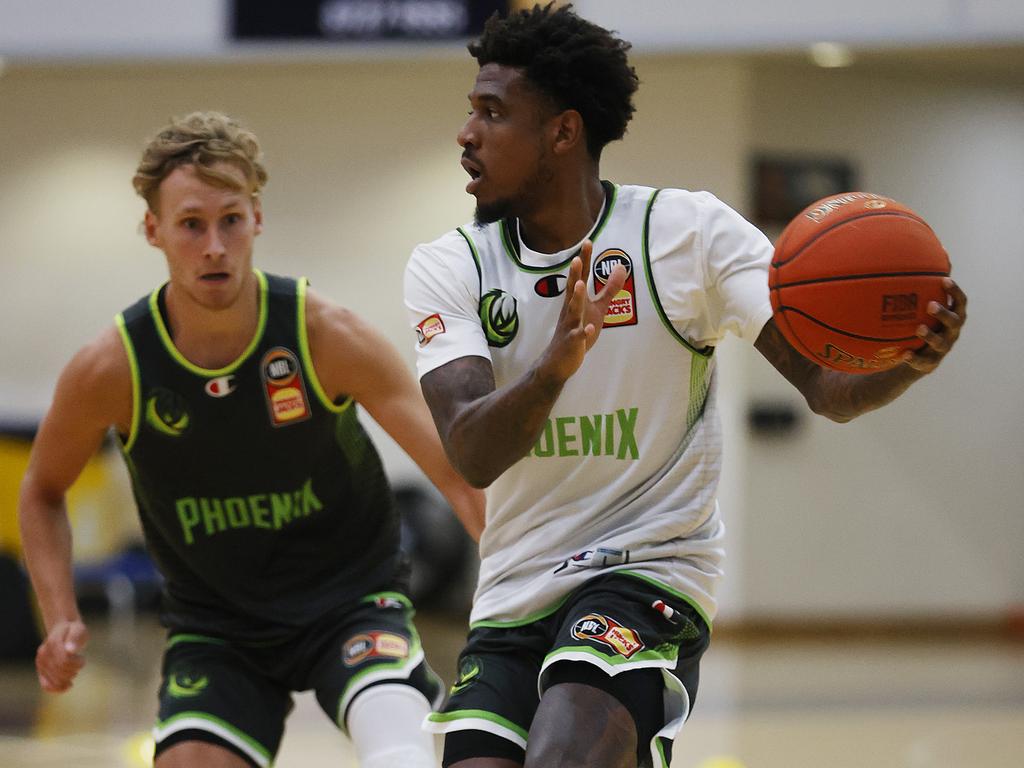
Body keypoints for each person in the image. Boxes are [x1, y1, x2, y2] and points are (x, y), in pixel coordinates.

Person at [403, 5, 967, 768]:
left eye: (492, 113)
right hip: (512, 590)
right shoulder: (450, 266)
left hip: (648, 569)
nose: (467, 133)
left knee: (568, 745)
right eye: (471, 110)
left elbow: (827, 389)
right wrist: (553, 368)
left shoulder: (688, 233)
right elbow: (471, 452)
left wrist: (908, 362)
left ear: (563, 132)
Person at [19, 111, 485, 768]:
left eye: (230, 220)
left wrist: (515, 592)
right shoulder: (114, 367)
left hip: (352, 603)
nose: (214, 245)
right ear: (153, 230)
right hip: (218, 625)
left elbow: (458, 472)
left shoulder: (324, 334)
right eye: (191, 224)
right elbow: (41, 490)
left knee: (401, 758)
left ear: (256, 218)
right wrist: (62, 614)